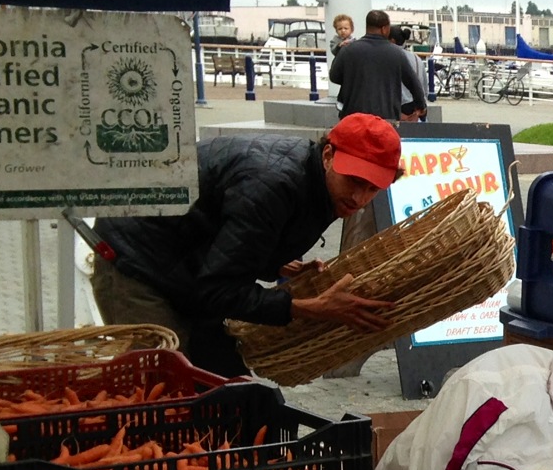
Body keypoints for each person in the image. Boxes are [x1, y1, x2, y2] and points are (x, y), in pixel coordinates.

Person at [91, 113, 400, 376]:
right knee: (164, 380)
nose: (360, 199)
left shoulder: (315, 182)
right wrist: (312, 309)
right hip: (135, 259)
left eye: (373, 188)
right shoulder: (272, 184)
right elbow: (218, 290)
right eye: (354, 181)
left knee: (225, 379)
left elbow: (229, 233)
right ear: (328, 156)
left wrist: (274, 259)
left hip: (187, 259)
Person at [329, 10, 425, 124]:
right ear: (384, 29)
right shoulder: (397, 53)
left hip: (353, 117)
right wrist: (420, 105)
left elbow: (334, 76)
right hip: (385, 119)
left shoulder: (347, 50)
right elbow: (413, 83)